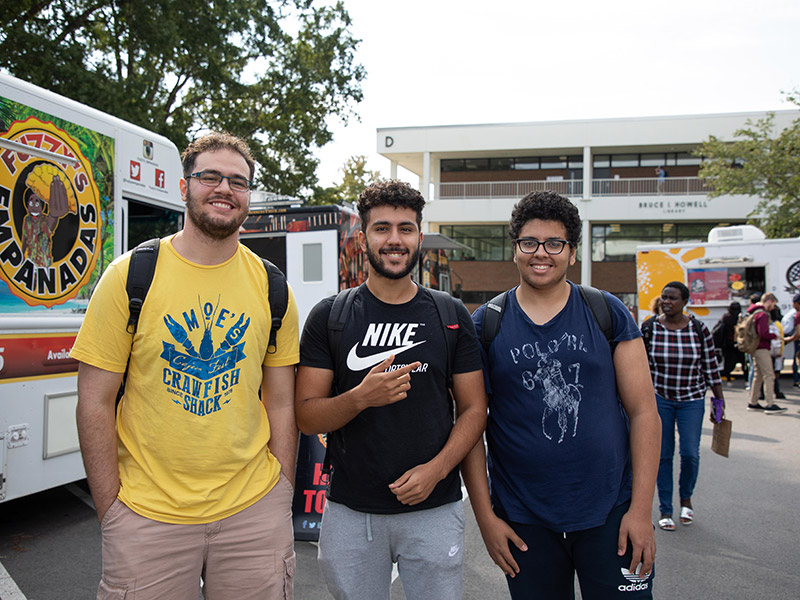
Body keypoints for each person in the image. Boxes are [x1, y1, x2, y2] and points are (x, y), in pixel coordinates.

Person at [72, 132, 300, 599]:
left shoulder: (272, 287)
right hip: (146, 516)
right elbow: (93, 400)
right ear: (184, 187)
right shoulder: (130, 276)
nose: (224, 188)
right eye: (209, 176)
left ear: (249, 196)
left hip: (253, 513)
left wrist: (281, 491)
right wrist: (111, 509)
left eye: (238, 181)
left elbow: (280, 402)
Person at [295, 179, 487, 600]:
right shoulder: (331, 316)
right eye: (382, 228)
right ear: (363, 238)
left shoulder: (450, 314)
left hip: (434, 509)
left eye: (405, 228)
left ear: (419, 235)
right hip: (350, 510)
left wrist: (436, 471)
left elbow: (475, 410)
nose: (394, 240)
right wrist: (361, 397)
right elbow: (306, 415)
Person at [463, 191, 660, 599]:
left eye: (555, 243)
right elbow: (470, 422)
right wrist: (485, 518)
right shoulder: (486, 324)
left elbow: (644, 412)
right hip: (524, 519)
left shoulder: (607, 312)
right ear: (514, 248)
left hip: (611, 513)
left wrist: (640, 511)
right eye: (529, 242)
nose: (542, 253)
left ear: (572, 252)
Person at [642, 282, 724, 532]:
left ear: (685, 301)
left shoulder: (699, 329)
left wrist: (718, 402)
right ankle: (665, 509)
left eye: (673, 298)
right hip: (660, 399)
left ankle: (686, 499)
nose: (666, 302)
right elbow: (639, 366)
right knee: (663, 455)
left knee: (690, 453)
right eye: (664, 297)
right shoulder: (650, 328)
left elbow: (710, 366)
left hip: (692, 399)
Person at [746, 293, 786, 413]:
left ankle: (753, 402)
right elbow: (763, 333)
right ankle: (770, 403)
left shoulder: (754, 312)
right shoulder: (762, 314)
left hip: (755, 347)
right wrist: (774, 336)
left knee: (758, 375)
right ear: (768, 301)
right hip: (762, 348)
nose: (774, 307)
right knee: (769, 375)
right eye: (773, 304)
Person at [715, 302, 745, 380]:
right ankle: (746, 378)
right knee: (742, 360)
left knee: (728, 361)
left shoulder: (726, 317)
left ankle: (728, 377)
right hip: (739, 342)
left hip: (728, 343)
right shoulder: (741, 318)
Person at [783, 293, 800, 389]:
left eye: (794, 303)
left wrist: (788, 340)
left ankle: (796, 380)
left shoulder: (798, 315)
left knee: (796, 361)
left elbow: (798, 333)